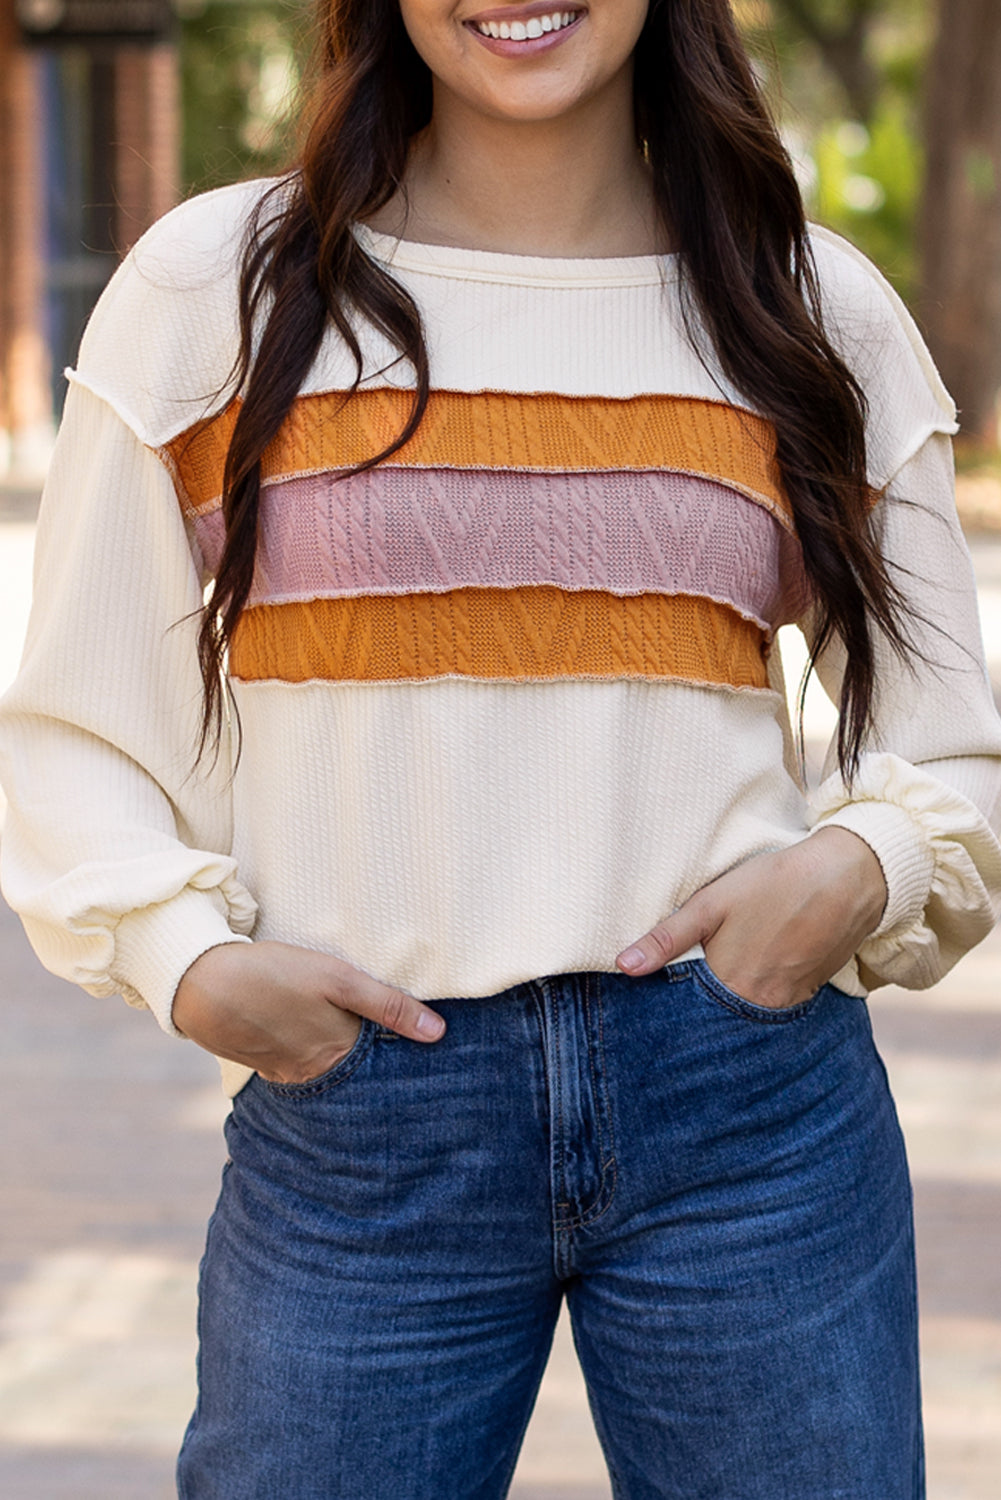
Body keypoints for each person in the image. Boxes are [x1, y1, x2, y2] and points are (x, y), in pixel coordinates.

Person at [2, 1, 1000, 1495]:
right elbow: (77, 728)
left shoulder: (803, 304)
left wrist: (850, 875)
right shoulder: (220, 288)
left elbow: (952, 748)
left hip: (743, 1111)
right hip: (362, 1122)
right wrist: (188, 964)